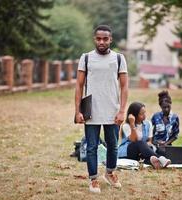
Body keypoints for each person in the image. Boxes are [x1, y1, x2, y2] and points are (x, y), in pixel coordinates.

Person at [74, 25, 128, 193]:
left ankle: (110, 173)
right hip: (91, 110)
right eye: (99, 38)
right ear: (94, 39)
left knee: (113, 146)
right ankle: (93, 179)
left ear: (110, 39)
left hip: (112, 110)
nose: (102, 41)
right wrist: (77, 111)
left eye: (105, 39)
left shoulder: (119, 58)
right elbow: (79, 85)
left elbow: (124, 86)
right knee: (91, 146)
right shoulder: (86, 58)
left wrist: (122, 111)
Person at [118, 102, 171, 169]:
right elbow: (134, 140)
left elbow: (149, 141)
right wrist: (132, 124)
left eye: (144, 113)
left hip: (142, 151)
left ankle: (154, 162)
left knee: (156, 149)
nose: (144, 116)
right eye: (141, 114)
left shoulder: (148, 124)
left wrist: (148, 145)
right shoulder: (126, 126)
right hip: (128, 152)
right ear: (134, 115)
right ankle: (160, 159)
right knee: (140, 143)